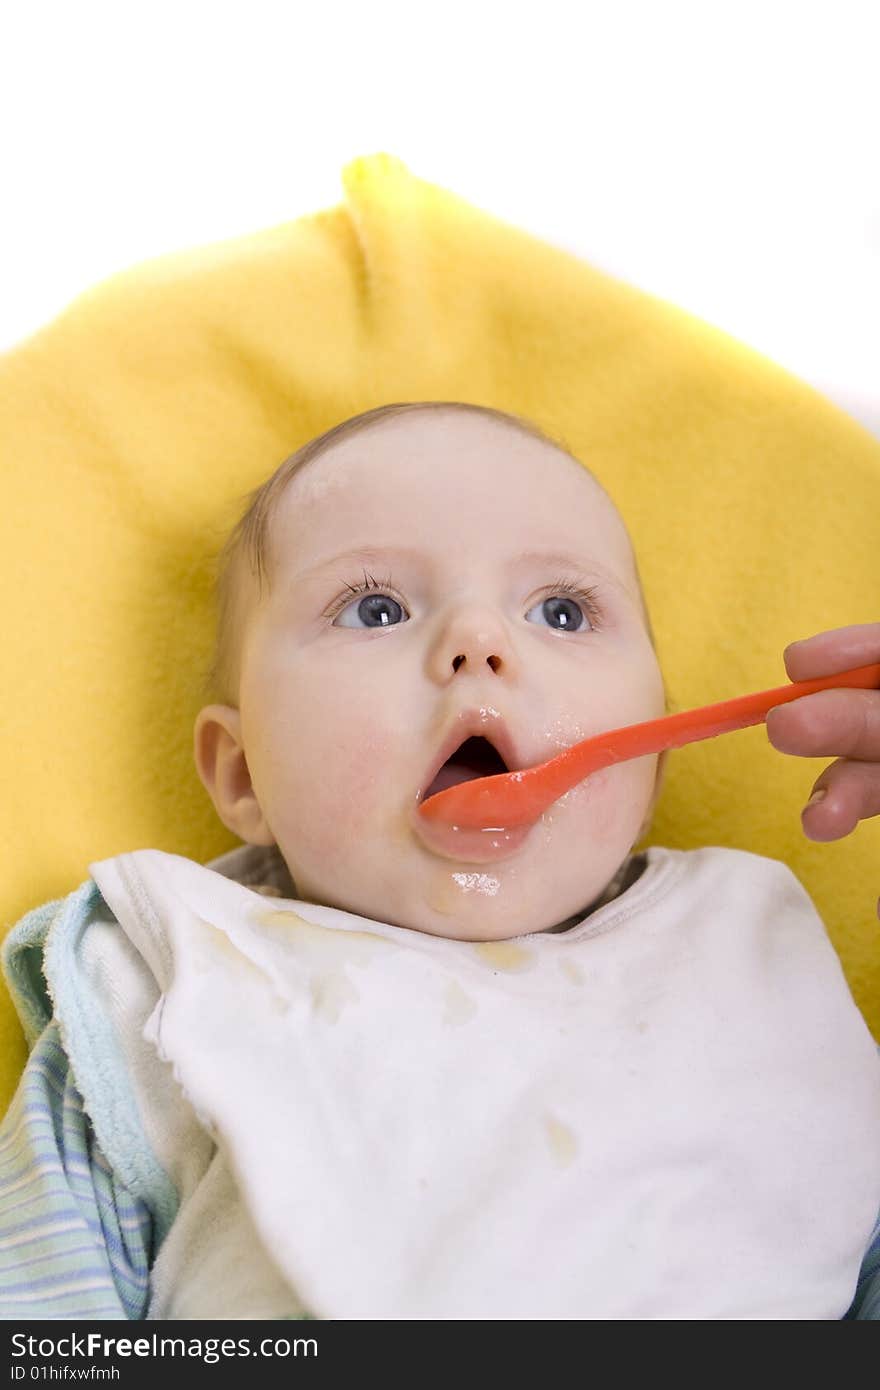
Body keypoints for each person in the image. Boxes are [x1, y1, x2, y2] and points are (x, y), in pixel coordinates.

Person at [1, 401, 878, 1320]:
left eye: (563, 610)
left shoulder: (740, 958)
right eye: (376, 609)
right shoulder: (174, 981)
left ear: (652, 770)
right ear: (242, 772)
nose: (480, 643)